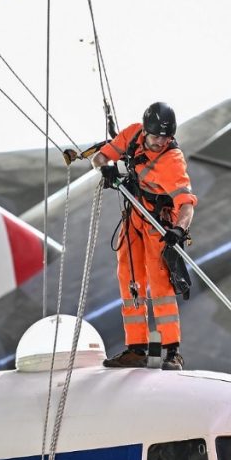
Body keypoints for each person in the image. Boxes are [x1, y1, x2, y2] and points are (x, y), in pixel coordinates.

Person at [92, 102, 197, 370]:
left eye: (166, 137)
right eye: (155, 136)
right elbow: (99, 157)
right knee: (129, 280)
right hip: (134, 216)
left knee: (160, 285)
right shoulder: (132, 135)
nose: (160, 142)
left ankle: (172, 351)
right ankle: (136, 349)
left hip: (157, 223)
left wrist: (178, 229)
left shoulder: (172, 161)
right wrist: (106, 167)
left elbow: (186, 204)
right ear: (145, 131)